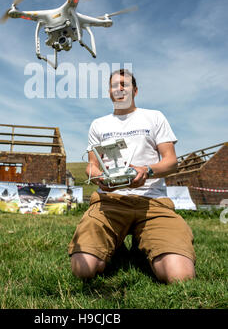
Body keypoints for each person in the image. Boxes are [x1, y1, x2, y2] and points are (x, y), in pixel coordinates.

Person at [68, 69, 196, 284]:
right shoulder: (98, 124)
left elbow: (171, 161)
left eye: (124, 84)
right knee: (83, 269)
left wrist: (148, 170)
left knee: (180, 276)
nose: (119, 88)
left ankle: (140, 246)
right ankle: (115, 247)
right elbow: (91, 166)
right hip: (110, 202)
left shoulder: (154, 117)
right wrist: (100, 178)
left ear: (135, 90)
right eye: (114, 85)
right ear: (109, 92)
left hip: (152, 202)